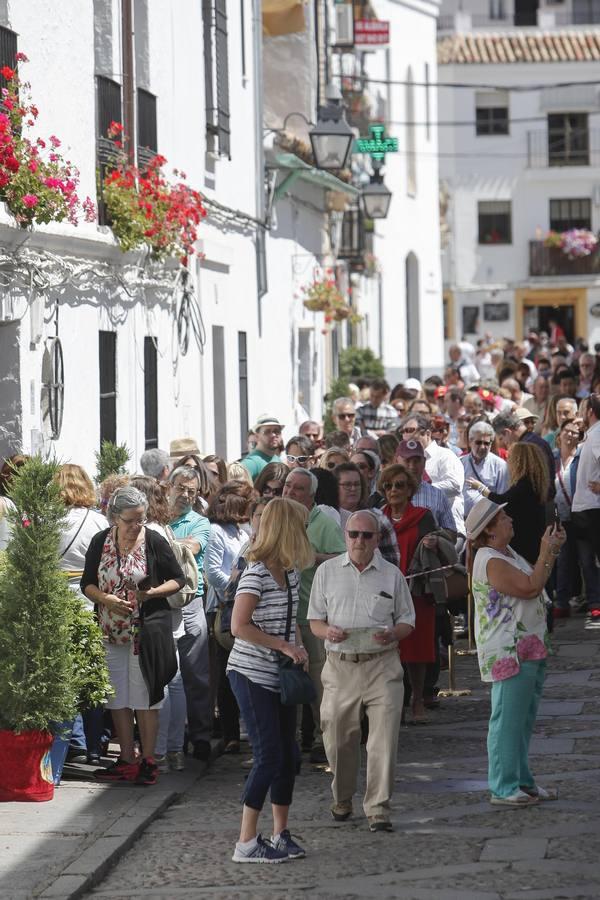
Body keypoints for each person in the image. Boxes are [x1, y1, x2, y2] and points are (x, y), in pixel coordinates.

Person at [308, 509, 414, 832]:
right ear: (345, 537)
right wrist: (328, 632)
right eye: (353, 535)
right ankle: (342, 797)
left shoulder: (391, 574)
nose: (359, 541)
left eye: (367, 536)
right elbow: (314, 621)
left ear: (377, 539)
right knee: (338, 738)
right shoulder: (327, 572)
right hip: (341, 667)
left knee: (383, 740)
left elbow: (408, 620)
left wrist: (393, 633)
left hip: (382, 665)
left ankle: (378, 807)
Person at [227, 497, 313, 863]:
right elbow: (239, 626)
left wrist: (297, 646)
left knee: (289, 756)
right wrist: (283, 645)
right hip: (250, 673)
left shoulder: (289, 572)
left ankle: (280, 834)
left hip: (278, 674)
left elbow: (289, 618)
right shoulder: (257, 572)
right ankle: (246, 842)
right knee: (268, 755)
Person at [81, 486, 185, 785]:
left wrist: (151, 593)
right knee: (117, 697)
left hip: (145, 632)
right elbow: (86, 582)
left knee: (145, 697)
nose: (136, 526)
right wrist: (104, 598)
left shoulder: (153, 540)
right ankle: (126, 757)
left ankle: (149, 758)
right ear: (114, 518)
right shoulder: (101, 541)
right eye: (130, 521)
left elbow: (178, 578)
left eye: (141, 519)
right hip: (110, 630)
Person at [468, 497, 565, 806]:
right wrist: (547, 550)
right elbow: (530, 587)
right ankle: (503, 785)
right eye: (503, 517)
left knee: (522, 719)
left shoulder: (506, 553)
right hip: (508, 649)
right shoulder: (490, 559)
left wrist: (551, 551)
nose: (510, 519)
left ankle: (522, 780)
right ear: (490, 530)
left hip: (526, 646)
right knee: (507, 719)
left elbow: (536, 579)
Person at [282, 468, 346, 763]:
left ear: (310, 495)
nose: (289, 492)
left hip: (313, 614)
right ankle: (289, 742)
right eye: (287, 485)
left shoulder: (323, 522)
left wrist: (312, 557)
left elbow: (343, 559)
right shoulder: (279, 517)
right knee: (286, 682)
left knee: (321, 682)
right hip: (281, 616)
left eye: (297, 489)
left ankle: (325, 741)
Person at [130, 475, 186, 773]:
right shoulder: (161, 527)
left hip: (156, 613)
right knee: (172, 681)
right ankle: (173, 747)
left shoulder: (148, 532)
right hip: (170, 614)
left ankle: (161, 750)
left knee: (159, 682)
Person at [56, 464, 110, 765]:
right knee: (93, 674)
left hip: (60, 600)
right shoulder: (99, 521)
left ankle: (72, 739)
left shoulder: (48, 520)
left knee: (65, 672)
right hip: (92, 599)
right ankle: (94, 743)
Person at [380, 464, 438, 723]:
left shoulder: (423, 516)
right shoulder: (378, 517)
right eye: (389, 486)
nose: (394, 490)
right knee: (393, 647)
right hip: (387, 591)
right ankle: (396, 703)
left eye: (400, 485)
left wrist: (433, 543)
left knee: (417, 647)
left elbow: (435, 548)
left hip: (416, 589)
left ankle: (417, 698)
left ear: (410, 489)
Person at [167, 465, 212, 762]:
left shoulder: (200, 522)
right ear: (169, 487)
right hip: (161, 604)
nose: (185, 495)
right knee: (168, 675)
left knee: (196, 674)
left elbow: (193, 546)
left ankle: (201, 736)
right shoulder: (157, 518)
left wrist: (160, 543)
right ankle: (171, 738)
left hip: (190, 603)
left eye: (191, 491)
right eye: (181, 488)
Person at [205, 480, 254, 753]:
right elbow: (212, 572)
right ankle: (229, 732)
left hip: (241, 605)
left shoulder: (241, 532)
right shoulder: (216, 532)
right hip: (224, 606)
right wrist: (235, 591)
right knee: (226, 672)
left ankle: (243, 727)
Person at [468, 443, 549, 567]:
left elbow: (503, 502)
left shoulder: (524, 485)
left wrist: (481, 489)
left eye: (510, 458)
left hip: (524, 542)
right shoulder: (535, 484)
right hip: (533, 538)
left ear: (519, 461)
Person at [399, 413, 465, 535]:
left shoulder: (445, 455)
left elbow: (455, 485)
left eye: (410, 430)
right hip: (415, 529)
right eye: (403, 431)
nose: (406, 435)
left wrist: (422, 488)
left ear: (428, 434)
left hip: (447, 530)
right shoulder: (402, 460)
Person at [571, 393, 600, 628]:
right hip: (584, 507)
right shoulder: (591, 434)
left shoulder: (598, 433)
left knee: (593, 560)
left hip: (593, 508)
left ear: (590, 411)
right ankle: (594, 603)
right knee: (586, 561)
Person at [335, 462, 399, 566]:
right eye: (347, 485)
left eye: (357, 484)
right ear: (335, 487)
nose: (353, 489)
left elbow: (393, 561)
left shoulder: (379, 518)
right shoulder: (328, 518)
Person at [461, 421, 509, 516]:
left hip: (488, 521)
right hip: (463, 520)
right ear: (470, 442)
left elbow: (502, 499)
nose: (482, 447)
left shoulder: (500, 466)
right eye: (478, 442)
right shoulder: (459, 463)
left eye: (486, 443)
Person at [240, 415, 284, 481]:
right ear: (257, 436)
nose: (273, 435)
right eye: (267, 432)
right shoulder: (250, 463)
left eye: (276, 431)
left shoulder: (277, 460)